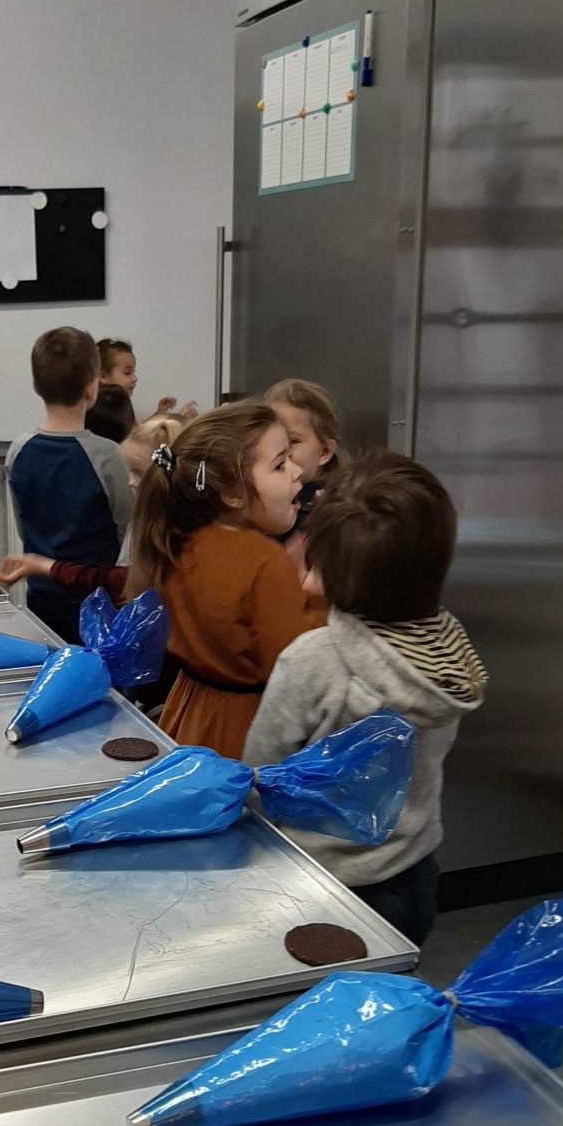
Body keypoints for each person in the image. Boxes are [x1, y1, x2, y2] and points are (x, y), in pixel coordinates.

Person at [244, 451, 487, 945]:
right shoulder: (447, 647)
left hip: (317, 878)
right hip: (411, 869)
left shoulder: (314, 660)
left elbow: (262, 775)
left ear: (327, 569)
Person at [128, 402, 318, 760]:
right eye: (280, 464)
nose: (297, 472)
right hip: (244, 730)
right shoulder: (264, 560)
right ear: (231, 493)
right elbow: (291, 668)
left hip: (188, 714)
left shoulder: (179, 541)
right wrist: (317, 600)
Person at [6, 327, 131, 643]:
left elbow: (23, 523)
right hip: (95, 596)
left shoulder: (18, 450)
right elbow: (126, 528)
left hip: (41, 592)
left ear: (36, 385)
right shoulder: (109, 455)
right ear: (92, 387)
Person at [0, 416, 184, 604]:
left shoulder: (178, 532)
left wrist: (47, 567)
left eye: (139, 473)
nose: (131, 482)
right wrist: (45, 566)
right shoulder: (150, 518)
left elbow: (122, 582)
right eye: (130, 472)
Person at [263, 378, 344, 556]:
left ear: (324, 452)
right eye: (270, 440)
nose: (279, 450)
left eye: (292, 441)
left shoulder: (332, 515)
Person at [98, 337, 196, 421]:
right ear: (102, 376)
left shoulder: (121, 406)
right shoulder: (104, 412)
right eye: (127, 373)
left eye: (133, 372)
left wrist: (159, 414)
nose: (135, 378)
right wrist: (179, 419)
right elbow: (137, 435)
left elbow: (137, 430)